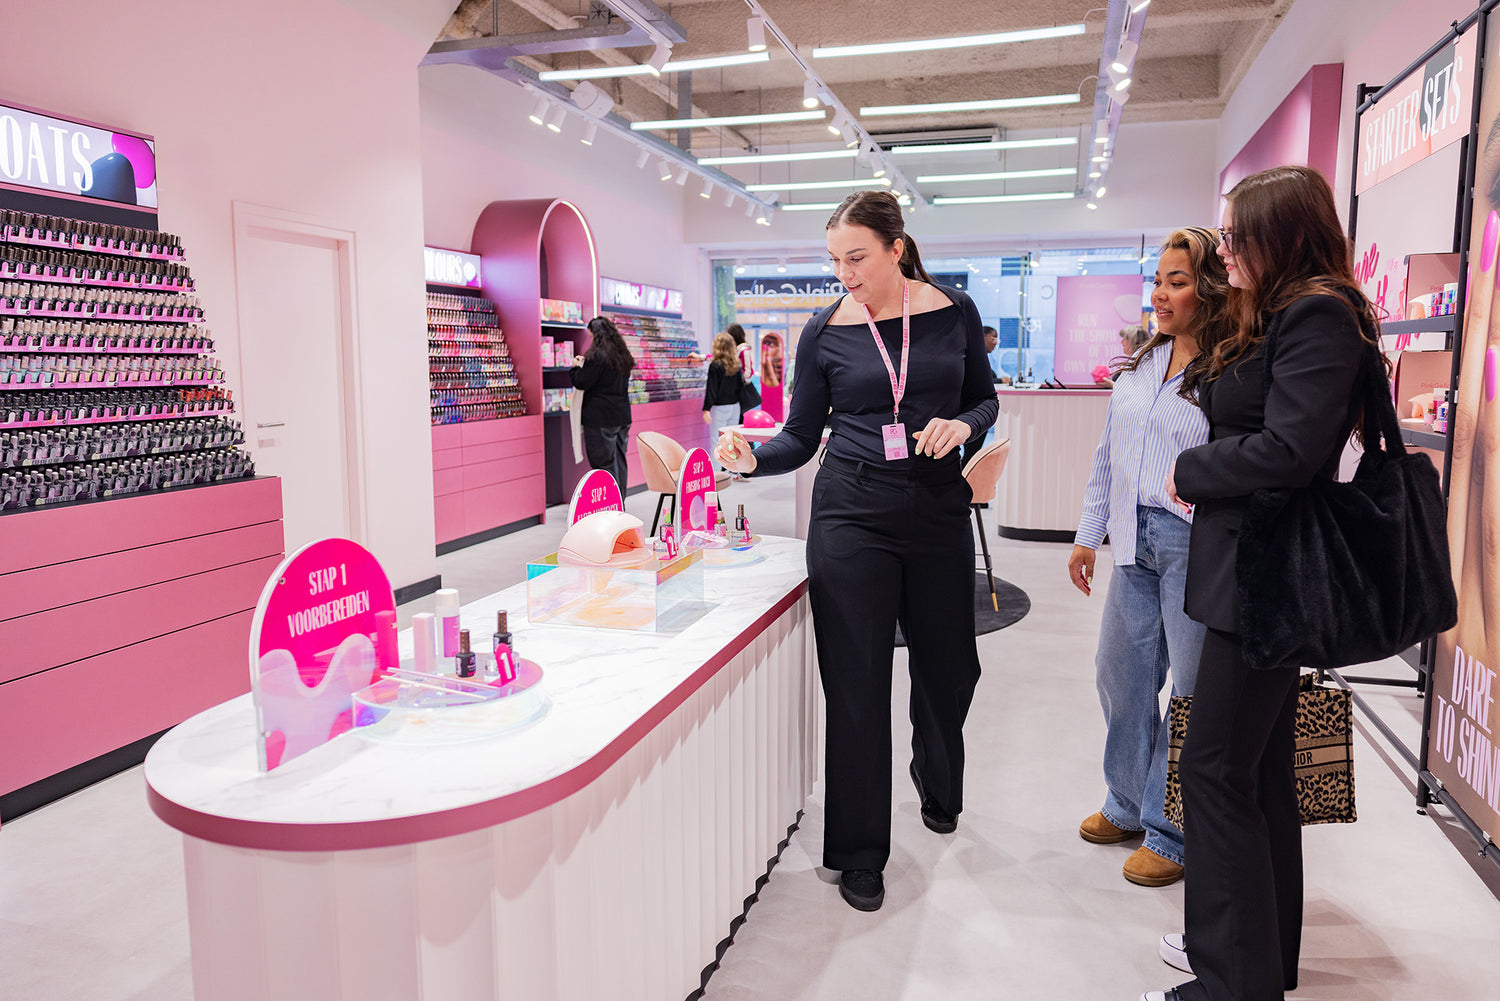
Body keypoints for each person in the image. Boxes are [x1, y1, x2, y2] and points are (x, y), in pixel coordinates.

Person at [715, 189, 998, 912]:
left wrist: (964, 427)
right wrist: (752, 459)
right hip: (851, 513)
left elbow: (983, 399)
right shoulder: (824, 331)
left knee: (950, 667)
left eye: (858, 257)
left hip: (936, 509)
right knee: (858, 682)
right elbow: (800, 436)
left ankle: (937, 776)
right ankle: (860, 849)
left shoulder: (952, 310)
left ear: (896, 248)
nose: (845, 273)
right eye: (836, 259)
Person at [1146, 165, 1375, 1001]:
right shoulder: (1284, 313)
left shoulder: (1317, 314)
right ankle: (1260, 963)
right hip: (1253, 573)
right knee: (1261, 774)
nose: (1228, 248)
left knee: (1212, 772)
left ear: (1281, 232)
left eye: (1240, 233)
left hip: (1267, 577)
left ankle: (1229, 980)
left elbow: (1290, 449)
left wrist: (1193, 466)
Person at [1069, 228, 1229, 890]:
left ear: (1210, 288)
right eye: (1158, 279)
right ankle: (1127, 801)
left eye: (1179, 280)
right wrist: (1088, 533)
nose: (1161, 293)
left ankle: (1172, 828)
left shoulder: (1228, 371)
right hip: (1132, 542)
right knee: (1121, 674)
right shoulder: (1138, 365)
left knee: (1189, 692)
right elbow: (1110, 454)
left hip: (1196, 544)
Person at [570, 316, 635, 491]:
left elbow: (582, 382)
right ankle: (619, 503)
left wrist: (576, 367)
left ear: (596, 336)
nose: (590, 340)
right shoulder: (623, 355)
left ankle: (609, 505)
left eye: (591, 337)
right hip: (622, 416)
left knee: (603, 464)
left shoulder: (597, 356)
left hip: (600, 419)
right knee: (619, 459)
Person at [703, 332, 743, 472]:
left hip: (720, 408)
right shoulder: (736, 365)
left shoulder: (715, 366)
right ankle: (733, 471)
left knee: (716, 441)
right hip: (735, 406)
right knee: (731, 441)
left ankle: (715, 474)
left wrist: (706, 409)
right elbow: (740, 388)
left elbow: (711, 389)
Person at [727, 322, 761, 419]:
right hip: (734, 390)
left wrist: (736, 378)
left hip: (740, 390)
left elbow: (748, 372)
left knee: (739, 417)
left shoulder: (743, 351)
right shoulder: (734, 350)